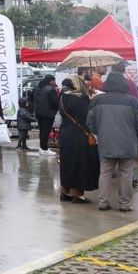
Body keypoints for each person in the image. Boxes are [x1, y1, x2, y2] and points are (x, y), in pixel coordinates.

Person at [87, 72, 138, 212]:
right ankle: (125, 204)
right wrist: (135, 136)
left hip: (105, 142)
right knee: (126, 173)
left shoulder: (97, 100)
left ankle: (103, 202)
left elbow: (90, 122)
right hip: (128, 144)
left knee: (105, 172)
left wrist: (99, 133)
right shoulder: (133, 101)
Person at [57, 76, 99, 204]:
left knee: (67, 164)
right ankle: (78, 194)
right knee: (80, 164)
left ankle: (65, 192)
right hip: (79, 135)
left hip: (65, 134)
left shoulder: (63, 97)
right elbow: (88, 117)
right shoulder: (79, 100)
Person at [33, 75, 59, 156]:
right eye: (54, 81)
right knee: (46, 131)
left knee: (42, 131)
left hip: (38, 113)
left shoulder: (37, 87)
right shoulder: (51, 90)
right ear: (51, 81)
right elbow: (55, 103)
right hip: (47, 114)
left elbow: (31, 97)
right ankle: (44, 149)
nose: (54, 83)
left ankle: (42, 148)